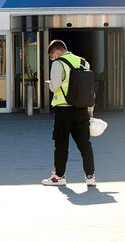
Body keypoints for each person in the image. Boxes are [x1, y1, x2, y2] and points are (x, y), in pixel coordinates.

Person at [41, 39, 96, 187]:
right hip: (82, 110)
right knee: (85, 144)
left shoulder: (58, 63)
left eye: (52, 55)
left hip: (63, 111)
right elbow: (89, 88)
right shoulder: (84, 62)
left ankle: (59, 177)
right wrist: (90, 110)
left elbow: (55, 86)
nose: (52, 58)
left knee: (61, 144)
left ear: (57, 51)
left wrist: (49, 84)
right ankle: (90, 176)